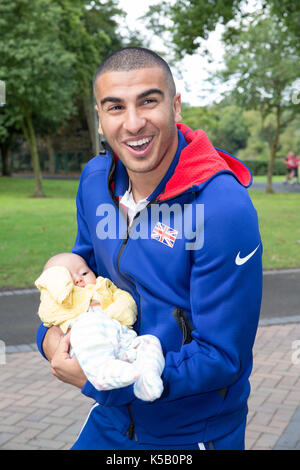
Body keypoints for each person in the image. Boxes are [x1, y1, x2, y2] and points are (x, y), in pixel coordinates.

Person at [36, 47, 263, 450]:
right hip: (113, 421)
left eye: (148, 101)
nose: (133, 123)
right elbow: (84, 276)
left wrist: (103, 380)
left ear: (175, 107)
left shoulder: (223, 208)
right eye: (115, 107)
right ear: (100, 119)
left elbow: (223, 357)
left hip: (191, 430)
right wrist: (50, 337)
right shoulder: (94, 180)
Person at [35, 252, 165, 401]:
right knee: (87, 324)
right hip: (90, 345)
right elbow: (50, 316)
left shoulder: (104, 286)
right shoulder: (60, 302)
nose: (78, 279)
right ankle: (105, 370)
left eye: (84, 273)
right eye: (68, 279)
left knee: (150, 342)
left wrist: (116, 313)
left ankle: (148, 377)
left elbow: (125, 301)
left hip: (122, 339)